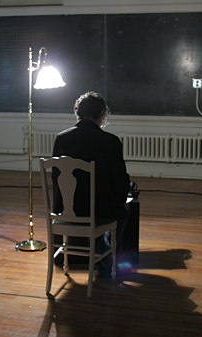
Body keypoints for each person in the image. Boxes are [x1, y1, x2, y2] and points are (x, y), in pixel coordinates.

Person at [52, 91, 130, 274]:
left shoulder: (61, 138)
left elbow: (56, 178)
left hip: (66, 210)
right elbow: (120, 182)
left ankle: (99, 248)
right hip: (99, 211)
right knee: (125, 209)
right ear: (102, 114)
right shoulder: (110, 141)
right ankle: (106, 256)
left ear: (77, 113)